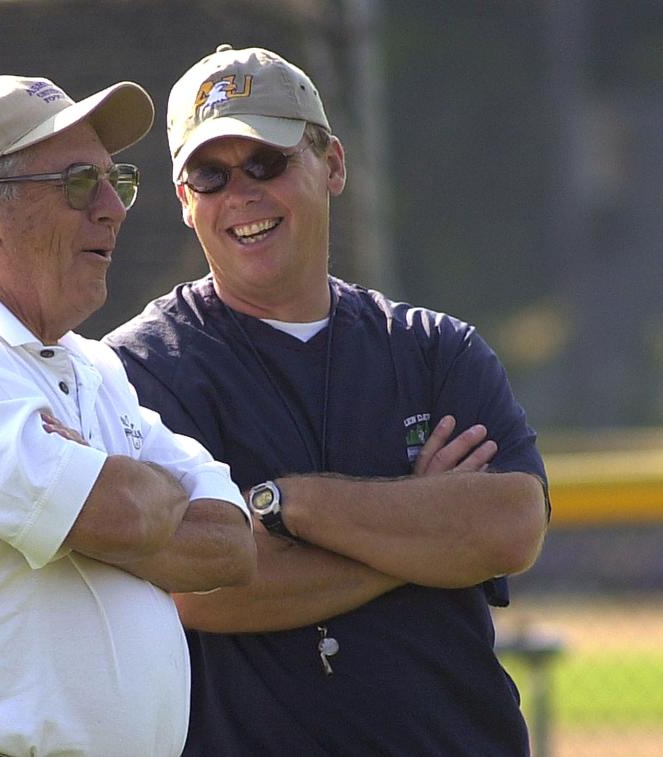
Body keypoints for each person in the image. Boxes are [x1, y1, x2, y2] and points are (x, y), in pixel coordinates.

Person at [105, 45, 550, 756]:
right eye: (210, 175)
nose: (240, 193)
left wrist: (285, 505)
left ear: (332, 164)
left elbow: (509, 527)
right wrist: (420, 531)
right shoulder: (136, 370)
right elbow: (198, 591)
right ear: (185, 201)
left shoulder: (435, 349)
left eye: (266, 162)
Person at [0, 74, 256, 757]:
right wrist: (131, 494)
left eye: (113, 181)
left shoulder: (92, 365)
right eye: (74, 184)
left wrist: (98, 489)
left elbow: (230, 543)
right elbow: (128, 511)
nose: (112, 210)